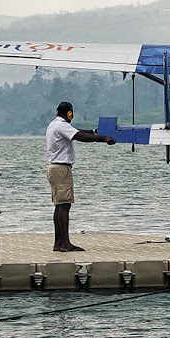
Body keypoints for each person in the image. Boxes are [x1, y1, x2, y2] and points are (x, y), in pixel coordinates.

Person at [45, 101, 116, 253]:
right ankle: (65, 244)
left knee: (59, 206)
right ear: (69, 113)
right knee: (64, 206)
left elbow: (77, 131)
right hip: (61, 169)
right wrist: (104, 138)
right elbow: (80, 136)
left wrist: (94, 131)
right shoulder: (62, 125)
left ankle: (58, 243)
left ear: (56, 111)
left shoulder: (54, 124)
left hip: (53, 168)